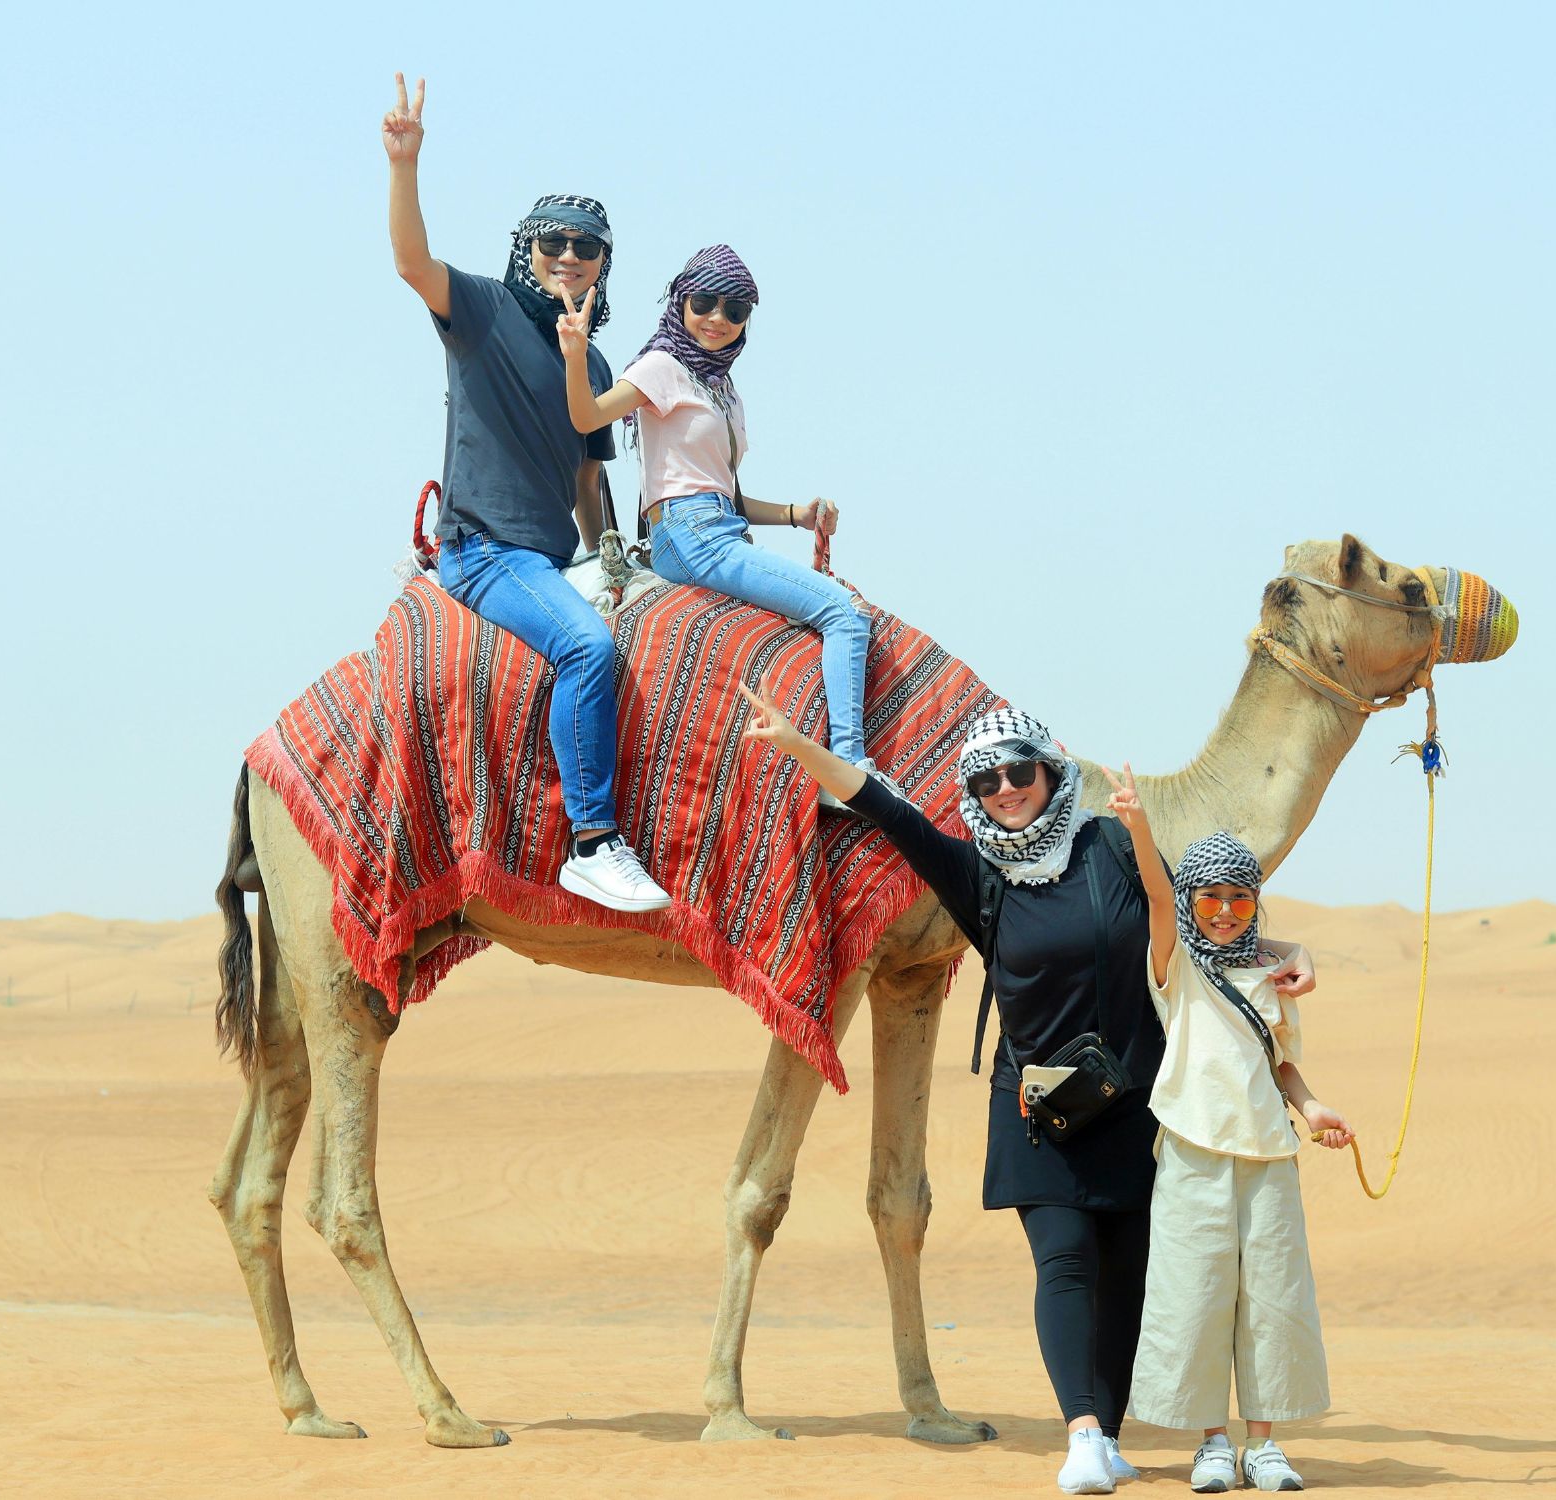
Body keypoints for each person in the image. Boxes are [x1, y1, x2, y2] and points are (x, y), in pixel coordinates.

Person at [736, 693, 1315, 1496]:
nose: (1005, 790)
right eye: (986, 782)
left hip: (1139, 1104)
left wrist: (1293, 948)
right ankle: (1081, 1433)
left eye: (1020, 772)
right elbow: (882, 807)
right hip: (1038, 1107)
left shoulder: (1111, 845)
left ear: (1049, 772)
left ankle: (1107, 1438)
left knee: (1127, 1272)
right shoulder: (978, 877)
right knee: (1065, 1262)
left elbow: (1200, 920)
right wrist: (800, 743)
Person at [381, 73, 669, 914]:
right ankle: (593, 841)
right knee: (588, 649)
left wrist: (613, 559)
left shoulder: (597, 364)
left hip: (550, 555)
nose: (568, 256)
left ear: (604, 262)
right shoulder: (482, 309)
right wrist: (405, 164)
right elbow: (410, 261)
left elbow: (589, 478)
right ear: (526, 249)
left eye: (586, 246)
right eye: (553, 242)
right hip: (484, 552)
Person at [559, 247, 889, 810]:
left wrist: (794, 513)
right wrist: (574, 352)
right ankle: (849, 771)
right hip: (689, 533)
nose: (717, 318)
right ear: (680, 302)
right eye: (704, 302)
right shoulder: (662, 366)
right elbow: (587, 417)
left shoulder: (721, 387)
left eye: (734, 309)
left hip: (718, 525)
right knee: (845, 615)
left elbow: (724, 492)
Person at [1103, 798, 1354, 1495]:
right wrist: (1138, 825)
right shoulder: (1175, 967)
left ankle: (1264, 1445)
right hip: (1191, 1149)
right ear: (1191, 899)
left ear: (1255, 903)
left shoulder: (1272, 980)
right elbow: (1157, 893)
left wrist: (1313, 1109)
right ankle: (1212, 1442)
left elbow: (1281, 1065)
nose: (1224, 910)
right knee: (1198, 1293)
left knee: (1273, 1296)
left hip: (1269, 1152)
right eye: (1210, 896)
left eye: (1240, 898)